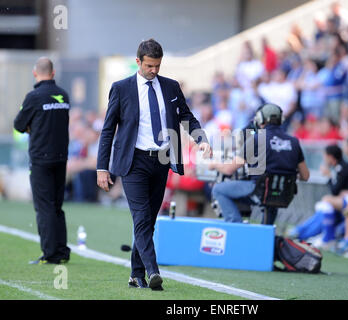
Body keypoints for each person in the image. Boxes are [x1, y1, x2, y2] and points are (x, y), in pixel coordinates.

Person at [96, 39, 211, 291]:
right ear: (138, 61)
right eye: (149, 65)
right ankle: (152, 270)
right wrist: (102, 167)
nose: (154, 70)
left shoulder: (170, 87)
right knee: (141, 218)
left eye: (158, 65)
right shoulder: (121, 88)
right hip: (133, 161)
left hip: (161, 160)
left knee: (149, 219)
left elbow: (186, 116)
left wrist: (200, 139)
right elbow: (107, 131)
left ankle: (136, 274)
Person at [209, 103, 310, 224]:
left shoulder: (256, 139)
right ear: (281, 119)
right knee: (272, 194)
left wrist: (214, 164)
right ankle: (266, 231)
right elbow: (305, 176)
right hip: (284, 193)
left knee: (218, 189)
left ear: (260, 119)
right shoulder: (294, 142)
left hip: (259, 189)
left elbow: (229, 169)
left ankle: (236, 225)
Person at [13, 57, 71, 265]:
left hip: (40, 158)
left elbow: (19, 125)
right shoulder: (63, 95)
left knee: (44, 206)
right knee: (57, 205)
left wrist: (32, 126)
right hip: (61, 156)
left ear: (34, 73)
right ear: (53, 73)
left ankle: (50, 253)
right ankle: (62, 249)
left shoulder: (34, 97)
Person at [291, 142, 348, 248]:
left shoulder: (343, 168)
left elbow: (335, 190)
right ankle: (303, 233)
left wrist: (329, 176)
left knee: (326, 202)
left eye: (324, 156)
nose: (323, 159)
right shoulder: (342, 167)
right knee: (324, 209)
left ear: (330, 157)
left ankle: (321, 237)